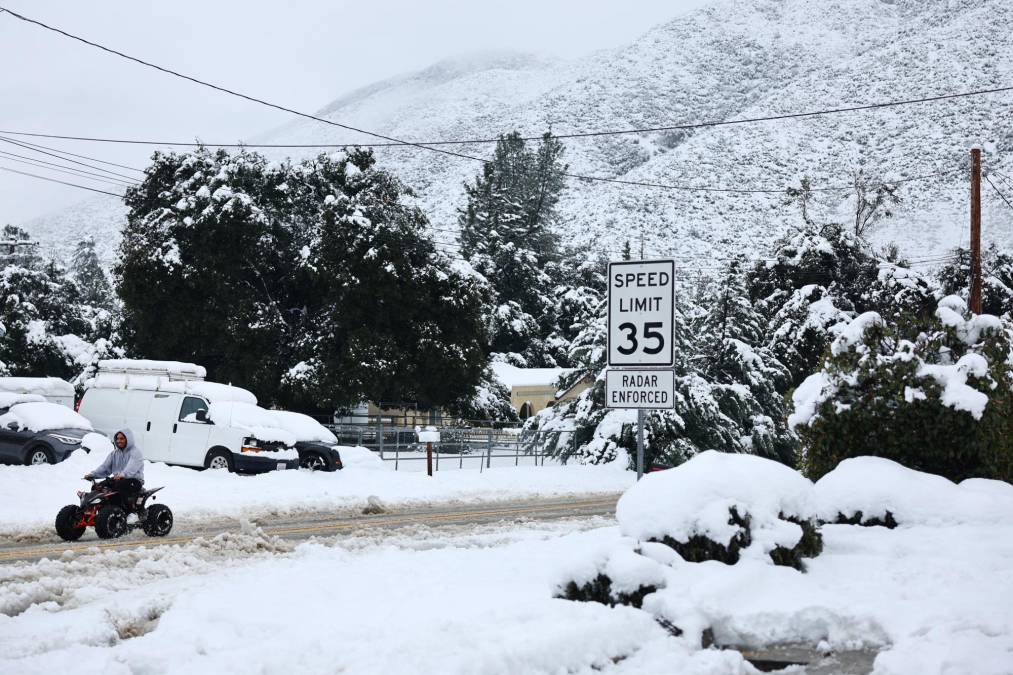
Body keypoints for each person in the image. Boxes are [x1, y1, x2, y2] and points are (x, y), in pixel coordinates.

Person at [84, 428, 145, 512]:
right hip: (118, 479)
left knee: (120, 485)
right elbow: (104, 467)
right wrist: (93, 474)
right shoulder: (114, 454)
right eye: (117, 438)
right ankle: (102, 511)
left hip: (134, 481)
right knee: (97, 487)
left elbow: (131, 468)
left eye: (122, 438)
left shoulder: (135, 452)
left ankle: (131, 512)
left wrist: (122, 475)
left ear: (128, 439)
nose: (119, 441)